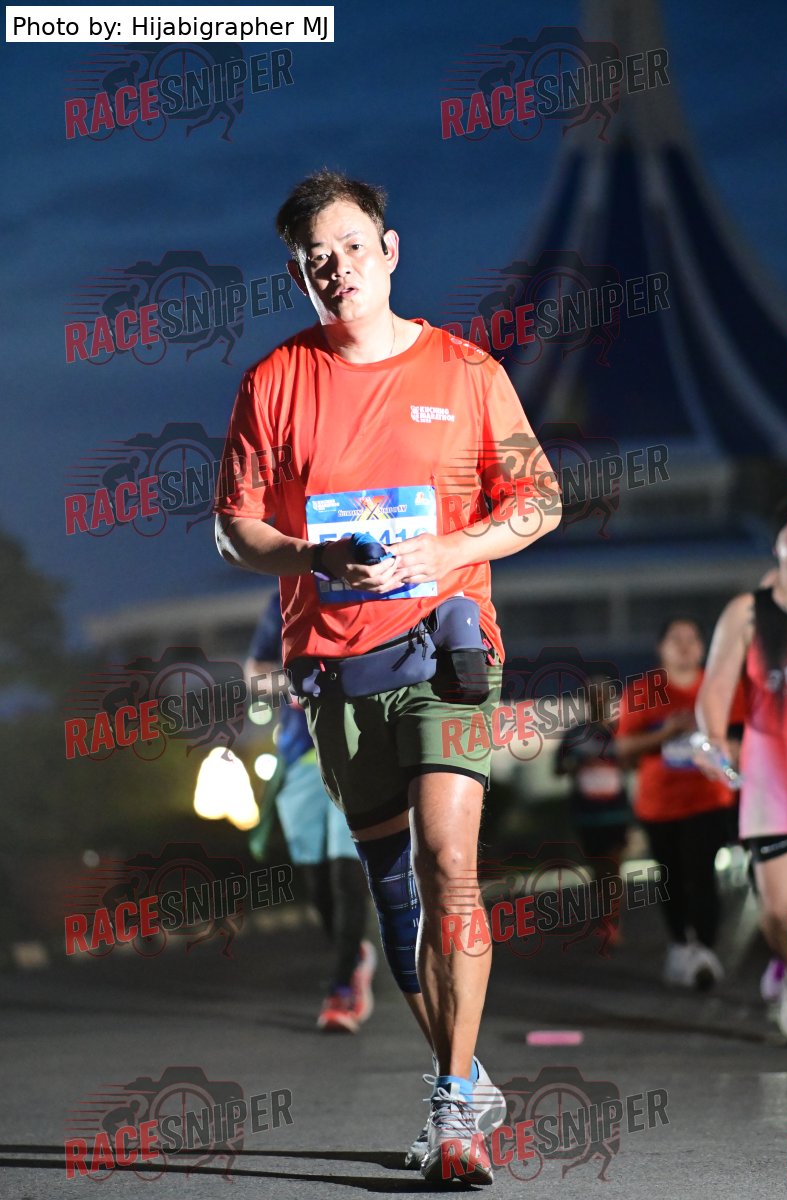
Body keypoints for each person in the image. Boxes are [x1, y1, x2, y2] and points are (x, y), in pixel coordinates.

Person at [214, 169, 561, 1184]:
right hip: (333, 664)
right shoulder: (273, 381)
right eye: (315, 258)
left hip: (447, 643)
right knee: (394, 888)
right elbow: (234, 531)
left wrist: (449, 549)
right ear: (299, 273)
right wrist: (312, 556)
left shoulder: (466, 371)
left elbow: (539, 498)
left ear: (390, 250)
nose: (338, 269)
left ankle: (453, 1114)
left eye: (353, 247)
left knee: (450, 862)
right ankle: (464, 1075)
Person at [246, 590, 376, 1033]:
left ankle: (341, 989)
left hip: (360, 750)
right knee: (318, 882)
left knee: (347, 874)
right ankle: (353, 954)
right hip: (301, 756)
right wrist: (298, 681)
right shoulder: (286, 595)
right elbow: (255, 674)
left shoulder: (374, 582)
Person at [695, 499, 787, 1040]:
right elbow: (715, 690)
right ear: (777, 540)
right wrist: (713, 740)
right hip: (773, 775)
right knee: (780, 912)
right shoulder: (749, 613)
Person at [616, 618, 740, 990]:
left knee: (701, 873)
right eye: (676, 639)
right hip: (659, 805)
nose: (685, 646)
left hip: (709, 800)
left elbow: (742, 742)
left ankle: (704, 949)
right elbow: (623, 748)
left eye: (692, 638)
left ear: (703, 647)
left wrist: (715, 743)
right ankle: (680, 945)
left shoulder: (721, 688)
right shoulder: (644, 691)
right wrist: (667, 733)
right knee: (669, 877)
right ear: (661, 648)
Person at [554, 675, 632, 944]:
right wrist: (577, 764)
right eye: (593, 695)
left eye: (603, 695)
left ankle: (612, 922)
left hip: (616, 812)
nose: (598, 700)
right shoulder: (575, 734)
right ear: (586, 699)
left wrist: (617, 760)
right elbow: (558, 768)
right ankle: (604, 915)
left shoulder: (621, 730)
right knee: (598, 869)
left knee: (614, 865)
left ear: (611, 698)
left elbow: (635, 761)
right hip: (587, 815)